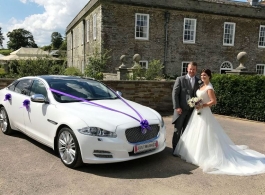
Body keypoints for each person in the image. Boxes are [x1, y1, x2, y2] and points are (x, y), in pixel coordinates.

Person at [174, 69, 265, 176]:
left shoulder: (209, 87)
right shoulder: (201, 86)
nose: (203, 77)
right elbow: (199, 97)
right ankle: (194, 153)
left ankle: (204, 155)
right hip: (197, 112)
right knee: (196, 131)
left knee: (205, 132)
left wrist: (202, 105)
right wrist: (195, 102)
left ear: (209, 77)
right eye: (202, 75)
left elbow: (213, 101)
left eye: (205, 75)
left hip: (204, 111)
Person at [171, 62, 201, 153]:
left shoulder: (198, 81)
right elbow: (174, 94)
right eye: (190, 69)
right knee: (177, 131)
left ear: (196, 70)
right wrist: (177, 107)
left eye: (194, 69)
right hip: (180, 110)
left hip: (191, 111)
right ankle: (175, 150)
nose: (192, 71)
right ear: (187, 69)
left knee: (187, 132)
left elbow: (199, 95)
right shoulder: (180, 79)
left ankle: (184, 151)